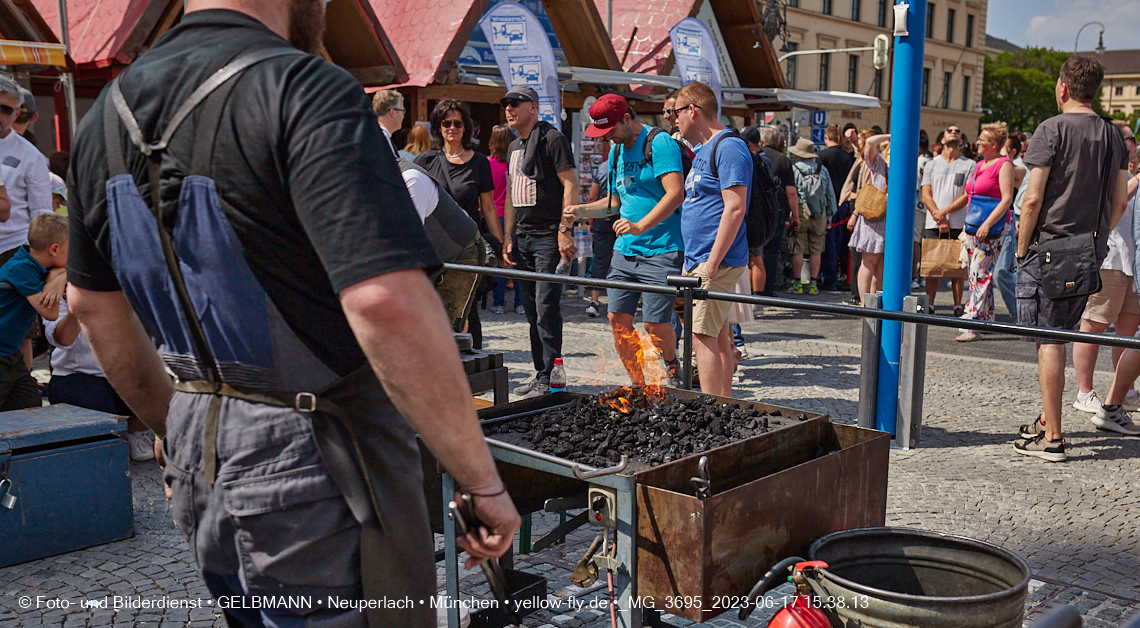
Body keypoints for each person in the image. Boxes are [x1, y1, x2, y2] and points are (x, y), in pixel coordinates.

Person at [65, 3, 520, 625]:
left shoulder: (105, 116)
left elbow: (92, 303)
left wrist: (182, 428)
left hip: (203, 452)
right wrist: (481, 480)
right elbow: (384, 302)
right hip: (317, 465)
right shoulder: (302, 86)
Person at [1015, 55, 1132, 461]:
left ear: (1063, 87)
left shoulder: (1051, 128)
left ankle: (1054, 440)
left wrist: (1020, 247)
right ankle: (1048, 421)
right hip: (1088, 250)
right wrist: (1095, 241)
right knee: (1061, 333)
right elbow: (1119, 201)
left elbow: (1032, 198)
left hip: (1047, 246)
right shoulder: (1114, 135)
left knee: (1049, 340)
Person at [565, 94, 685, 387]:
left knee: (654, 324)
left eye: (609, 130)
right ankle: (638, 384)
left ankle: (671, 364)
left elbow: (675, 193)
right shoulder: (616, 152)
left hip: (663, 247)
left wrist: (640, 226)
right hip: (625, 249)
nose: (606, 138)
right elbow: (614, 203)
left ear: (627, 119)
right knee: (618, 319)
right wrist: (579, 210)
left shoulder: (659, 143)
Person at [500, 85, 579, 398]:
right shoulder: (513, 147)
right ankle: (540, 373)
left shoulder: (552, 138)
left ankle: (552, 376)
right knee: (532, 311)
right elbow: (510, 196)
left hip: (547, 235)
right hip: (523, 236)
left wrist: (564, 228)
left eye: (516, 103)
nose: (509, 109)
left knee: (547, 308)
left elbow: (571, 184)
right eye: (506, 104)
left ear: (533, 107)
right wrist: (507, 235)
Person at [675, 81, 751, 397]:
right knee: (718, 335)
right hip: (701, 259)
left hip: (714, 261)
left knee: (701, 337)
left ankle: (708, 411)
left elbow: (735, 208)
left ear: (693, 110)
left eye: (675, 112)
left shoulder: (729, 146)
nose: (673, 119)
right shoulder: (704, 150)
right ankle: (724, 405)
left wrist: (712, 263)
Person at [416, 99, 504, 348]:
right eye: (446, 123)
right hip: (434, 247)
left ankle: (473, 367)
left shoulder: (479, 162)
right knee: (431, 305)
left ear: (466, 127)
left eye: (458, 123)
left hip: (467, 246)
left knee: (467, 309)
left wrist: (498, 243)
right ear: (439, 127)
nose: (452, 128)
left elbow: (487, 207)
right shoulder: (426, 161)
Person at [1071, 120, 1140, 413]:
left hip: (1131, 259)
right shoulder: (1106, 167)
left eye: (1133, 139)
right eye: (1128, 139)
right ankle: (1084, 392)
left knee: (1128, 329)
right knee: (1094, 324)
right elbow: (1119, 202)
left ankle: (1124, 390)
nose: (1132, 143)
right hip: (1109, 256)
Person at [47, 296, 156, 461]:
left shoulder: (121, 288)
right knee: (97, 406)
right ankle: (103, 442)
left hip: (123, 373)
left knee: (169, 394)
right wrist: (78, 303)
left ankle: (134, 431)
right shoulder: (58, 293)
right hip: (75, 374)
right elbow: (63, 339)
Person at [0, 74, 56, 370]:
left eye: (6, 109)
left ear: (17, 114)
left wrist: (43, 262)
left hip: (13, 249)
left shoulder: (29, 155)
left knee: (20, 330)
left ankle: (21, 387)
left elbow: (42, 215)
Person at [956, 122, 1014, 342]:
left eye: (983, 140)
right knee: (976, 271)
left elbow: (1007, 198)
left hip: (992, 227)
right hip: (974, 226)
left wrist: (988, 223)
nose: (977, 142)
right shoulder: (980, 164)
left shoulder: (1003, 164)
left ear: (994, 144)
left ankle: (971, 321)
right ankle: (986, 318)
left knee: (979, 272)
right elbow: (971, 195)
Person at [0, 213, 64, 411]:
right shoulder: (21, 268)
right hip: (2, 356)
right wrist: (59, 278)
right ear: (54, 249)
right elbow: (51, 313)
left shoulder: (32, 264)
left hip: (11, 355)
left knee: (30, 405)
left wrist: (60, 277)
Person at [921, 125, 975, 315]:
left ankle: (957, 305)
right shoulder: (931, 163)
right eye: (949, 130)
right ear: (942, 139)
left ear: (961, 140)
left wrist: (944, 213)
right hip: (933, 221)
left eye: (958, 131)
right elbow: (926, 193)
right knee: (932, 265)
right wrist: (938, 215)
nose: (954, 131)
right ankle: (930, 303)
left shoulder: (969, 164)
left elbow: (967, 194)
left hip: (958, 222)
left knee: (957, 267)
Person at [845, 131, 890, 305]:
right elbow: (870, 142)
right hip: (874, 220)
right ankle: (865, 302)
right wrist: (892, 136)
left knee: (880, 267)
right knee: (869, 262)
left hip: (885, 222)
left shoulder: (897, 169)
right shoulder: (879, 163)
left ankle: (876, 301)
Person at [787, 139, 837, 295]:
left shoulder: (794, 169)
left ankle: (797, 284)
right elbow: (830, 194)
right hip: (819, 212)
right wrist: (829, 214)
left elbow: (791, 193)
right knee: (816, 249)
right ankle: (813, 284)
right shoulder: (822, 170)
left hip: (800, 211)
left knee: (798, 247)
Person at [488, 123, 523, 315]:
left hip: (495, 217)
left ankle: (498, 303)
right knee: (517, 261)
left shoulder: (487, 164)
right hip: (514, 216)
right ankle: (520, 303)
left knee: (498, 261)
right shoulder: (514, 165)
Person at [759, 126, 799, 295]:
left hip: (756, 210)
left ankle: (754, 288)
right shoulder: (784, 160)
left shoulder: (755, 156)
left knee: (754, 252)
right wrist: (796, 216)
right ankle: (768, 288)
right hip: (777, 211)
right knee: (772, 250)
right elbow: (791, 192)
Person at [993, 132, 1029, 315]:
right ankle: (985, 313)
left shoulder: (1020, 168)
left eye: (1001, 148)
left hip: (1010, 221)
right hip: (990, 223)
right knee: (987, 274)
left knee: (1001, 272)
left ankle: (1019, 311)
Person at [818, 124, 856, 291]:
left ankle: (830, 277)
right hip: (846, 203)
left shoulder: (822, 156)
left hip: (828, 204)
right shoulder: (849, 157)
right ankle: (844, 276)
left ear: (826, 137)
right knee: (843, 243)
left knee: (829, 243)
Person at [585, 136, 615, 318]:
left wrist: (591, 220)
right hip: (624, 219)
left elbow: (592, 198)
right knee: (623, 260)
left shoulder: (602, 168)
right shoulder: (625, 167)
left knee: (599, 261)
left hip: (603, 220)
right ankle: (619, 301)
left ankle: (594, 301)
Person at [914, 130, 933, 290]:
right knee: (925, 242)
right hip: (930, 206)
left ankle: (914, 275)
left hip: (917, 205)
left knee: (915, 241)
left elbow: (914, 187)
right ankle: (924, 274)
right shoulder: (931, 160)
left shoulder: (919, 161)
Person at [372, 88, 405, 158]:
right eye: (402, 111)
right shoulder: (381, 137)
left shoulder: (374, 133)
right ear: (392, 112)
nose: (403, 116)